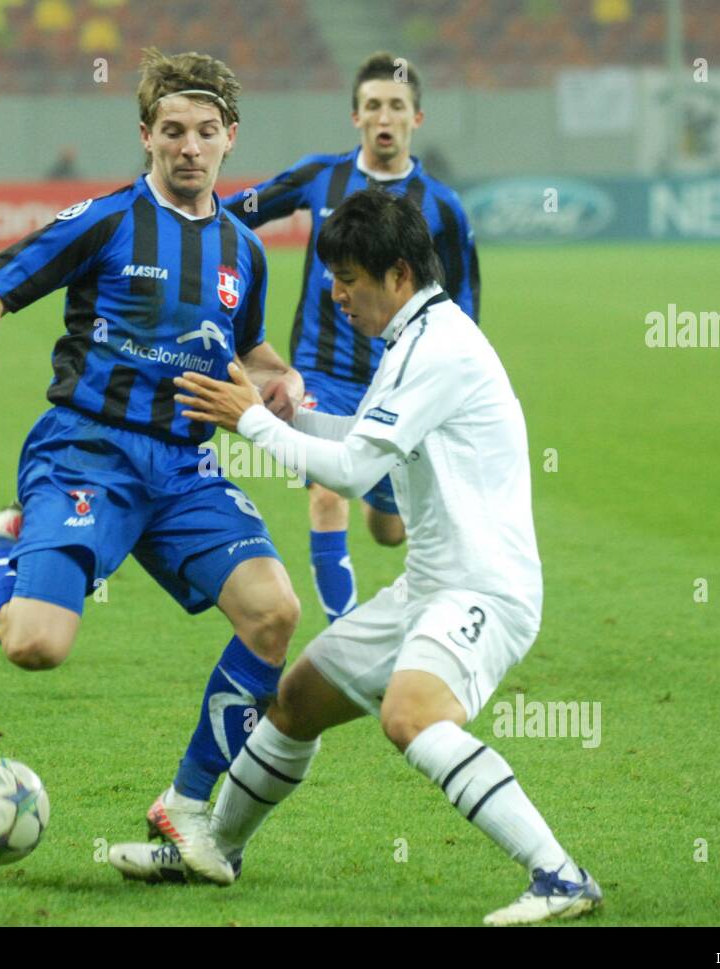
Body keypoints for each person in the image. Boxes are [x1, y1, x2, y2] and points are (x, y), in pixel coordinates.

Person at [110, 188, 602, 926]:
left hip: (483, 592)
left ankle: (562, 878)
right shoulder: (417, 337)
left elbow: (352, 472)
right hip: (428, 588)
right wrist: (287, 412)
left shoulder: (439, 348)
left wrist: (247, 419)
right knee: (296, 699)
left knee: (410, 716)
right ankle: (211, 849)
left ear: (398, 275)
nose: (337, 296)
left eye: (349, 280)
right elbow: (358, 437)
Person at [0, 49, 305, 885]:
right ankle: (1, 547)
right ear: (146, 136)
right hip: (88, 452)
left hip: (186, 467)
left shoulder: (243, 248)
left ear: (230, 139)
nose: (189, 147)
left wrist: (281, 380)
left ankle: (187, 808)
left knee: (273, 614)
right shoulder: (107, 219)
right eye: (172, 132)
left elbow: (248, 351)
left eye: (205, 132)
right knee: (36, 646)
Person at [222, 52, 479, 625]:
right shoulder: (321, 177)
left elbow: (463, 306)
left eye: (396, 106)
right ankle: (345, 633)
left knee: (389, 528)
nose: (384, 117)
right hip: (322, 372)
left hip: (399, 381)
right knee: (327, 489)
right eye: (372, 106)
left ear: (418, 117)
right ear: (355, 116)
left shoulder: (443, 207)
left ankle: (385, 509)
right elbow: (236, 214)